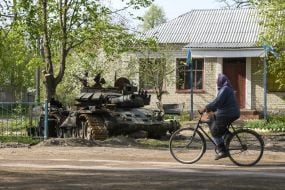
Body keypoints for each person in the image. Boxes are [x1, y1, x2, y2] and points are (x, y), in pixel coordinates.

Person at [201, 74, 240, 160]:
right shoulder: (224, 89)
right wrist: (209, 109)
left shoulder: (225, 89)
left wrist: (206, 108)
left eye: (217, 80)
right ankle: (226, 135)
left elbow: (217, 102)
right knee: (211, 119)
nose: (216, 82)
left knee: (215, 130)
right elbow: (217, 102)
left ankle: (222, 150)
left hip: (228, 112)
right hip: (228, 112)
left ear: (221, 81)